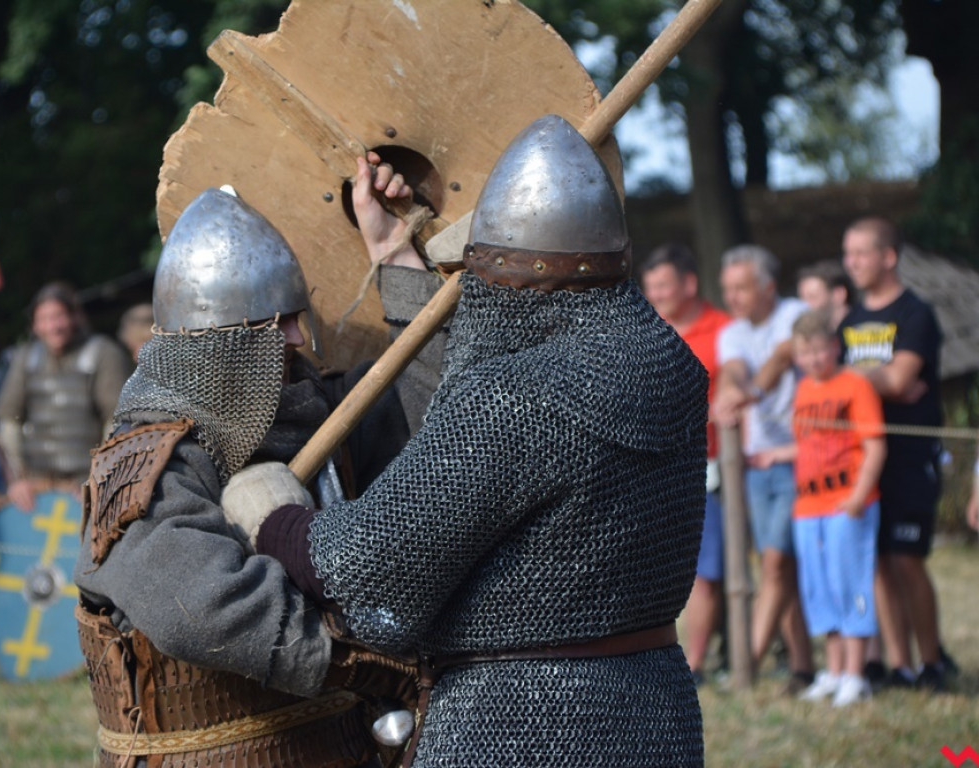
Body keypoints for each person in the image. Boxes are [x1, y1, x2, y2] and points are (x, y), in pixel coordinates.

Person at [229, 115, 708, 766]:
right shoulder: (667, 366)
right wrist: (396, 260)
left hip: (520, 725)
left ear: (488, 274)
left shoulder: (514, 399)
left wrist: (276, 523)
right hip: (653, 714)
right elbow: (482, 405)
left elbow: (369, 572)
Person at [73, 154, 444, 767]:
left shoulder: (309, 414)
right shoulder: (148, 460)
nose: (300, 338)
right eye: (280, 324)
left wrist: (395, 254)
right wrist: (355, 657)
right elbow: (193, 605)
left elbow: (430, 414)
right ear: (224, 343)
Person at [838, 215, 951, 691]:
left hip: (909, 451)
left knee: (907, 558)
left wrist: (854, 379)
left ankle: (931, 661)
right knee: (879, 559)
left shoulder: (915, 314)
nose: (853, 262)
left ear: (888, 257)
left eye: (862, 252)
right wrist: (878, 379)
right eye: (849, 253)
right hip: (863, 455)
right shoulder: (850, 321)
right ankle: (900, 665)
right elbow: (885, 380)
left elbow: (902, 380)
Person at [712, 244, 815, 692]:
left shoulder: (795, 313)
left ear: (768, 286)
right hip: (757, 461)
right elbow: (732, 370)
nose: (733, 297)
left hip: (797, 455)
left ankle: (745, 665)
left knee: (775, 563)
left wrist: (748, 394)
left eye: (742, 287)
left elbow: (780, 358)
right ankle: (801, 666)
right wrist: (734, 389)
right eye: (728, 289)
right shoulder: (732, 332)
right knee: (777, 565)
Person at [641, 242, 730, 685]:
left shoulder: (723, 332)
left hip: (713, 468)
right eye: (649, 289)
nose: (655, 297)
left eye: (664, 287)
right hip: (654, 471)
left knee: (706, 569)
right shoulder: (643, 335)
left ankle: (694, 663)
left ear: (689, 284)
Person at [788, 308, 886, 707]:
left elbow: (875, 444)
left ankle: (855, 673)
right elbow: (807, 445)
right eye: (805, 352)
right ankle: (832, 669)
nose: (813, 359)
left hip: (847, 501)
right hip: (808, 506)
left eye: (820, 350)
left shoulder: (855, 385)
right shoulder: (803, 391)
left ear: (834, 347)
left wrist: (859, 495)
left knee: (850, 584)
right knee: (819, 588)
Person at [0, 282, 134, 511]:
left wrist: (103, 473)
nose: (53, 327)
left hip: (89, 482)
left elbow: (117, 421)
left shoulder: (103, 353)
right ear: (35, 325)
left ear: (74, 317)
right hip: (39, 487)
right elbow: (9, 424)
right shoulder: (24, 359)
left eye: (58, 316)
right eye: (44, 319)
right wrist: (17, 480)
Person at [796, 259, 854, 329]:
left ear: (839, 294)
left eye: (813, 297)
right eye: (802, 299)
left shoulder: (865, 330)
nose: (804, 305)